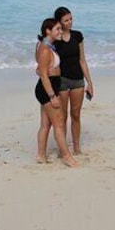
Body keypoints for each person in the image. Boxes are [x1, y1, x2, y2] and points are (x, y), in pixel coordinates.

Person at [34, 17, 79, 167]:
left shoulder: (46, 46)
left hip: (48, 86)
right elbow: (43, 74)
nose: (61, 31)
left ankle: (41, 155)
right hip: (48, 89)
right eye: (57, 29)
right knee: (59, 123)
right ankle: (67, 156)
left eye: (61, 28)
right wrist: (52, 96)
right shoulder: (45, 49)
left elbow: (40, 68)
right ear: (48, 31)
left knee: (45, 124)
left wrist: (41, 70)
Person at [53, 6, 94, 155]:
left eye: (71, 19)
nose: (70, 22)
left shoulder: (78, 36)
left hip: (78, 80)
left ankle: (76, 148)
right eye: (66, 20)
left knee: (76, 115)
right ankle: (62, 149)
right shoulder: (55, 39)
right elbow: (49, 59)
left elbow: (82, 60)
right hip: (62, 81)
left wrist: (90, 82)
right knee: (62, 117)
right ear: (59, 22)